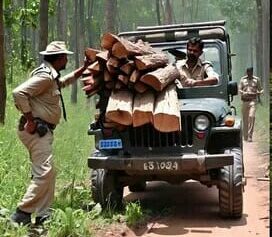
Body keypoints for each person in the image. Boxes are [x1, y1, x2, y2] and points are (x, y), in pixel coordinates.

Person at [11, 41, 90, 225]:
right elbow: (18, 93)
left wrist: (82, 69)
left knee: (48, 172)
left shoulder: (50, 76)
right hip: (36, 130)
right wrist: (30, 119)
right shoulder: (45, 77)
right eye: (65, 57)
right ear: (59, 58)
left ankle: (43, 214)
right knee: (45, 172)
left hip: (42, 130)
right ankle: (22, 212)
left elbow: (63, 82)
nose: (66, 60)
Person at [239, 67, 263, 142]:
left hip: (253, 101)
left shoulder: (256, 79)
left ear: (252, 72)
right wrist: (243, 92)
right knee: (245, 119)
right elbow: (239, 89)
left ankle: (250, 136)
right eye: (248, 72)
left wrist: (260, 92)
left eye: (250, 72)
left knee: (251, 116)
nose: (249, 73)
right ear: (246, 72)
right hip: (245, 101)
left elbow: (261, 89)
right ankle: (245, 136)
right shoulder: (242, 79)